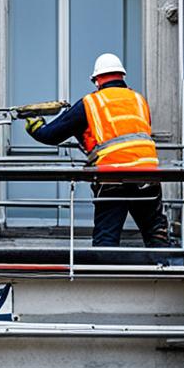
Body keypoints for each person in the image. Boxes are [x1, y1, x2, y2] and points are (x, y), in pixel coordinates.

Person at [24, 53, 170, 248]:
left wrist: (35, 124)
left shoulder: (91, 103)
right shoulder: (138, 100)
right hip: (147, 174)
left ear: (97, 80)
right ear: (122, 77)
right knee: (155, 231)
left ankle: (105, 273)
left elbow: (51, 135)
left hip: (113, 175)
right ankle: (163, 267)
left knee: (106, 237)